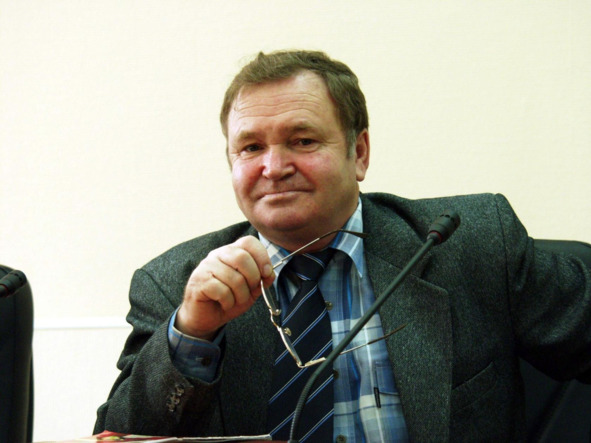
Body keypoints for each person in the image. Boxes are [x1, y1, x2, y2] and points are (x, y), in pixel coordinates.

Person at [95, 50, 591, 442]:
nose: (274, 167)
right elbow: (118, 435)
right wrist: (191, 333)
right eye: (251, 147)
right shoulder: (176, 284)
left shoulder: (470, 244)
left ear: (359, 153)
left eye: (303, 140)